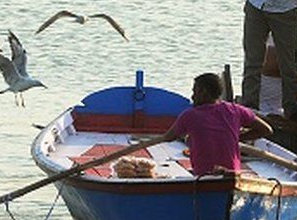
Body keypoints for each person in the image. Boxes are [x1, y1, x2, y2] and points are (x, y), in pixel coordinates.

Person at [114, 73, 273, 177]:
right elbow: (266, 129)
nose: (192, 96)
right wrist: (238, 138)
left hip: (204, 175)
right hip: (233, 174)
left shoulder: (190, 115)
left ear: (203, 92)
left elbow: (169, 137)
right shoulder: (236, 110)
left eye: (195, 91)